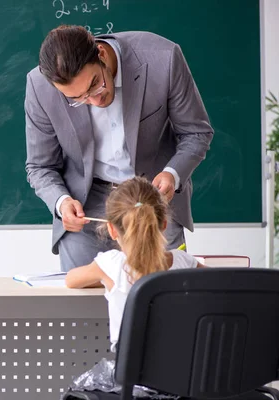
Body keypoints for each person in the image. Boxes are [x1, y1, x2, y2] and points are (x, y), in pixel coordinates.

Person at [24, 25, 214, 272]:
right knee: (82, 304)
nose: (94, 101)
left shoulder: (163, 59)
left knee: (166, 298)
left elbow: (196, 133)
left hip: (151, 200)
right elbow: (40, 166)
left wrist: (173, 174)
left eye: (95, 85)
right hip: (86, 207)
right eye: (78, 99)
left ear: (101, 53)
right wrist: (61, 202)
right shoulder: (39, 87)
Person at [65, 176, 205, 353]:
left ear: (111, 229)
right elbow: (218, 281)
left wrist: (102, 277)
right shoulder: (184, 262)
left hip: (130, 378)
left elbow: (71, 279)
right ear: (163, 224)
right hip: (181, 373)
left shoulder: (110, 264)